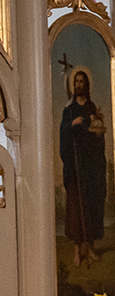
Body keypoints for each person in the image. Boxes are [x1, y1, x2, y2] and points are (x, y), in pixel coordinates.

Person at [60, 68, 106, 267]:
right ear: (73, 85)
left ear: (86, 85)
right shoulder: (68, 111)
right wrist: (72, 124)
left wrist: (97, 134)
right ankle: (77, 252)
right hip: (74, 168)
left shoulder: (91, 108)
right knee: (75, 211)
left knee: (91, 207)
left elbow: (97, 132)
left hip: (89, 167)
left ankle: (91, 248)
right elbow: (63, 135)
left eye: (82, 81)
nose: (79, 84)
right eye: (76, 81)